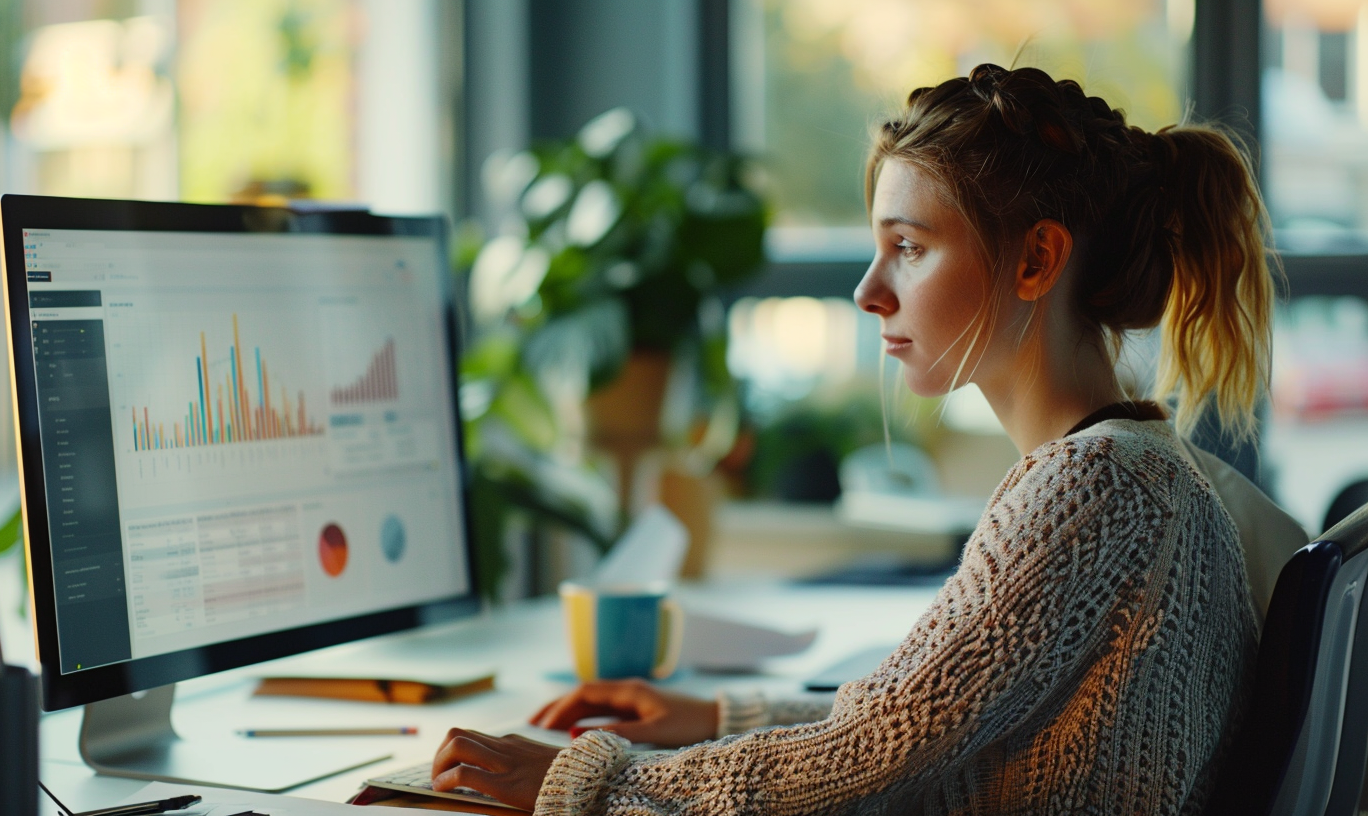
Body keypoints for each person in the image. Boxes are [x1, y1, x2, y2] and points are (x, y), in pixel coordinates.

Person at [430, 63, 1295, 815]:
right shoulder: (1135, 466)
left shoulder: (1091, 487)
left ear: (1035, 261)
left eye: (908, 247)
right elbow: (931, 720)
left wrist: (586, 781)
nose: (867, 291)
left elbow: (871, 757)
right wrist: (724, 720)